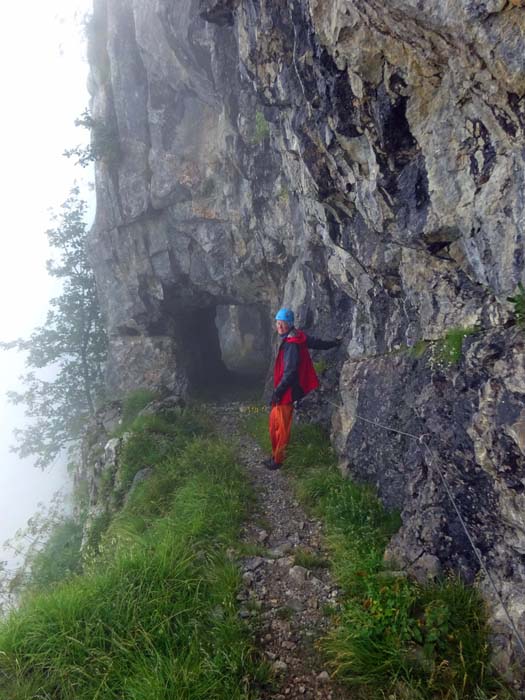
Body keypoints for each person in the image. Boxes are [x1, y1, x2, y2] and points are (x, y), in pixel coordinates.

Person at [264, 308, 342, 470]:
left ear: (290, 324)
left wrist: (278, 392)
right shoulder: (298, 336)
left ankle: (278, 460)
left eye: (283, 323)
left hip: (286, 392)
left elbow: (290, 372)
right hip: (285, 390)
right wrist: (334, 343)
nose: (279, 326)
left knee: (280, 427)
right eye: (278, 323)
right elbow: (316, 343)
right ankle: (275, 455)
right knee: (275, 425)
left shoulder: (292, 345)